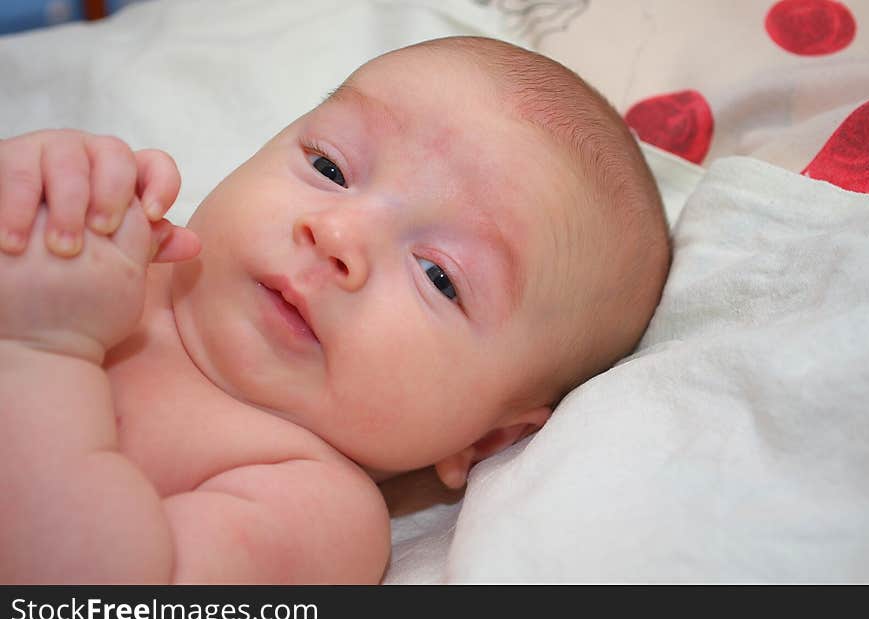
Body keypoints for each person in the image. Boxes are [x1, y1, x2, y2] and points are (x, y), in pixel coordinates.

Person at [0, 36, 669, 583]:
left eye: (439, 275)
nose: (339, 233)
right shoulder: (115, 243)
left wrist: (42, 351)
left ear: (488, 439)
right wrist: (30, 192)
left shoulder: (311, 507)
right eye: (329, 167)